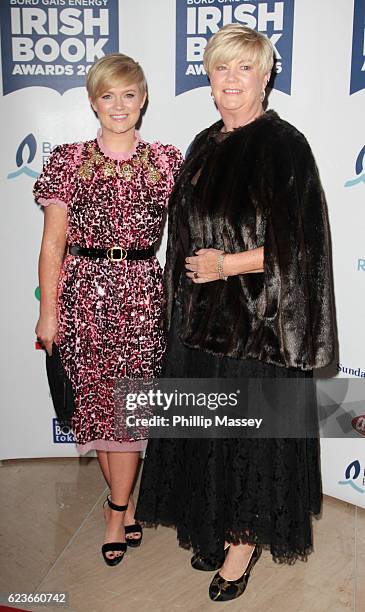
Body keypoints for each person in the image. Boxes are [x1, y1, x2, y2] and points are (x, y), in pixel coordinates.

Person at [135, 25, 336, 601]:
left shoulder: (284, 145)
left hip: (257, 328)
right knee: (208, 434)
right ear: (208, 74)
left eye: (244, 69)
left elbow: (301, 247)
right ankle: (218, 525)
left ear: (266, 76)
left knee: (250, 439)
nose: (230, 80)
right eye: (221, 68)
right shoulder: (203, 142)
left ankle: (243, 544)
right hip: (199, 326)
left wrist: (227, 265)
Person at [34, 53, 183, 567]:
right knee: (100, 410)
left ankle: (116, 509)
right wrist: (48, 311)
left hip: (141, 293)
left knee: (132, 408)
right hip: (82, 294)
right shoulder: (68, 160)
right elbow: (53, 244)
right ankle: (121, 506)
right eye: (107, 95)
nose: (118, 106)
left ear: (143, 99)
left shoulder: (168, 160)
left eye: (128, 95)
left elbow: (193, 233)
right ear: (92, 100)